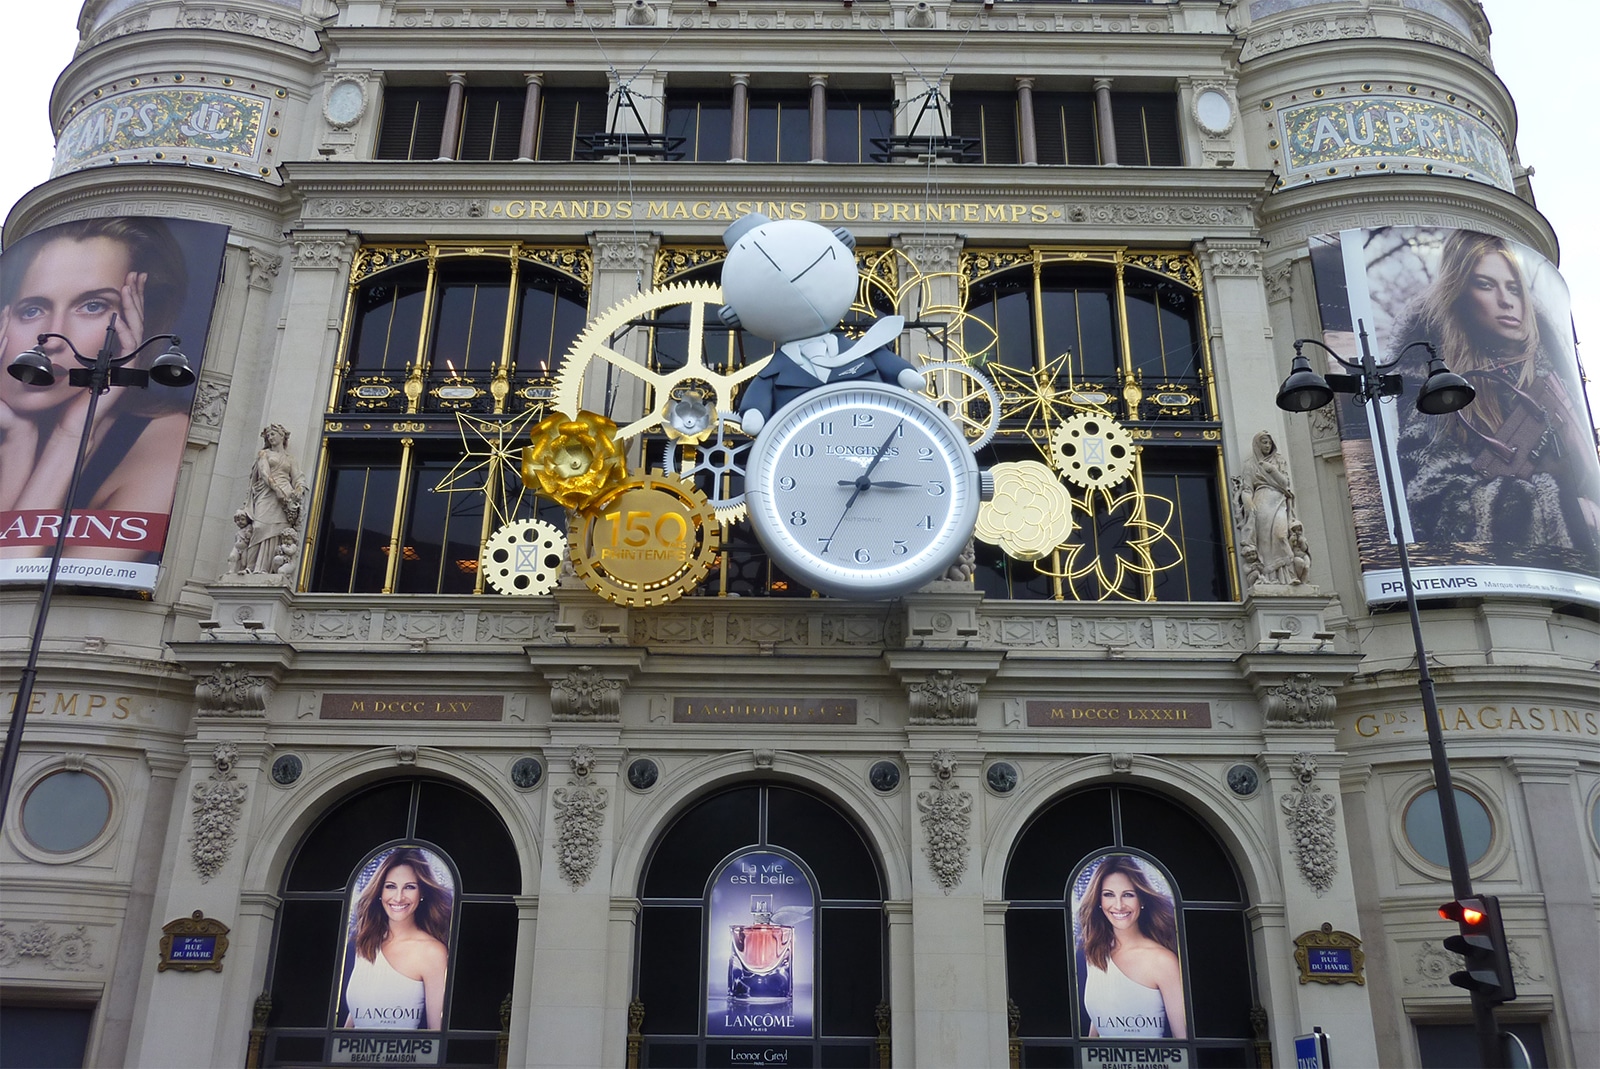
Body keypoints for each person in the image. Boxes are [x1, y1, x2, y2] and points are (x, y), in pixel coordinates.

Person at [1391, 231, 1600, 560]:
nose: (1507, 300)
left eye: (1514, 288)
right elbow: (1434, 504)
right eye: (1486, 285)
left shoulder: (1554, 374)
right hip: (1502, 581)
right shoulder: (1434, 383)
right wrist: (1565, 509)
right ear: (1459, 293)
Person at [0, 218, 192, 556]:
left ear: (140, 323)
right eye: (32, 310)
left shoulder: (165, 437)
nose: (53, 338)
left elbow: (18, 585)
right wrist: (19, 441)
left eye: (92, 306)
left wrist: (70, 436)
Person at [1076, 855, 1187, 1039]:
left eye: (1128, 894)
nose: (1118, 905)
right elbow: (1099, 1024)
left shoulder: (1162, 961)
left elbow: (1183, 1042)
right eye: (1109, 894)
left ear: (1141, 900)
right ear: (1099, 901)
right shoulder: (1094, 954)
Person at [342, 847, 452, 1030]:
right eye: (390, 886)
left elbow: (436, 1032)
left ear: (422, 893)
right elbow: (356, 1014)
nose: (399, 897)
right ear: (380, 892)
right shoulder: (365, 943)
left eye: (409, 887)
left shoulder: (432, 952)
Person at [233, 424, 307, 575]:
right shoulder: (264, 454)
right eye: (269, 436)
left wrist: (298, 490)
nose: (271, 438)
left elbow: (298, 478)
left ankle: (265, 569)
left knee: (276, 531)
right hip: (267, 493)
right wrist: (277, 490)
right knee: (259, 527)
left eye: (273, 434)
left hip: (284, 497)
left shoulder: (290, 459)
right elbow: (265, 474)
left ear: (282, 436)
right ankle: (251, 567)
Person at [1236, 430, 1298, 587]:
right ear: (1257, 444)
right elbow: (1247, 489)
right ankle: (1271, 578)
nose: (1267, 445)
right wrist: (1248, 503)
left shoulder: (1278, 461)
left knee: (1281, 535)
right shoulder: (1250, 465)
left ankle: (1289, 574)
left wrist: (1271, 469)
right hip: (1261, 502)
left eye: (1269, 442)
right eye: (1264, 442)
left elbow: (1285, 483)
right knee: (1264, 542)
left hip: (1278, 500)